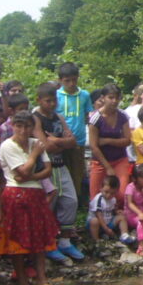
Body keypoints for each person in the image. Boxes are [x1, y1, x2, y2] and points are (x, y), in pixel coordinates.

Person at [0, 111, 59, 285]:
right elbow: (21, 173)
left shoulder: (34, 143)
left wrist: (30, 175)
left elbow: (47, 170)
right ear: (13, 126)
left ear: (32, 127)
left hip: (36, 193)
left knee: (40, 238)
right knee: (17, 239)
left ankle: (42, 279)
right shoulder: (7, 146)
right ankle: (23, 283)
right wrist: (35, 155)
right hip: (16, 195)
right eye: (19, 126)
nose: (23, 130)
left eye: (27, 126)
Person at [34, 82, 84, 262]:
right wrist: (60, 141)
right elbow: (45, 146)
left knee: (71, 200)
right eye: (48, 101)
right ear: (39, 100)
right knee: (49, 205)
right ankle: (48, 243)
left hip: (61, 165)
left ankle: (64, 240)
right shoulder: (36, 118)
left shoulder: (58, 117)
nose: (52, 104)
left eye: (54, 100)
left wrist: (57, 140)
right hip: (45, 168)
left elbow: (73, 140)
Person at [88, 84, 133, 208]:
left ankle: (118, 218)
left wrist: (108, 140)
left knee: (122, 193)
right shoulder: (95, 119)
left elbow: (127, 140)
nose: (114, 101)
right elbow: (94, 146)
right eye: (111, 97)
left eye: (117, 98)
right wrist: (107, 167)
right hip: (100, 161)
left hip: (120, 159)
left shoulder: (123, 116)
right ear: (103, 98)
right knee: (96, 196)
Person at [54, 62, 93, 203]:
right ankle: (61, 202)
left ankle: (75, 203)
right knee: (62, 172)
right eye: (67, 80)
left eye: (74, 80)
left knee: (77, 173)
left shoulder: (84, 95)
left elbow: (88, 116)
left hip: (79, 140)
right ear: (60, 80)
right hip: (61, 143)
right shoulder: (56, 95)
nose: (71, 83)